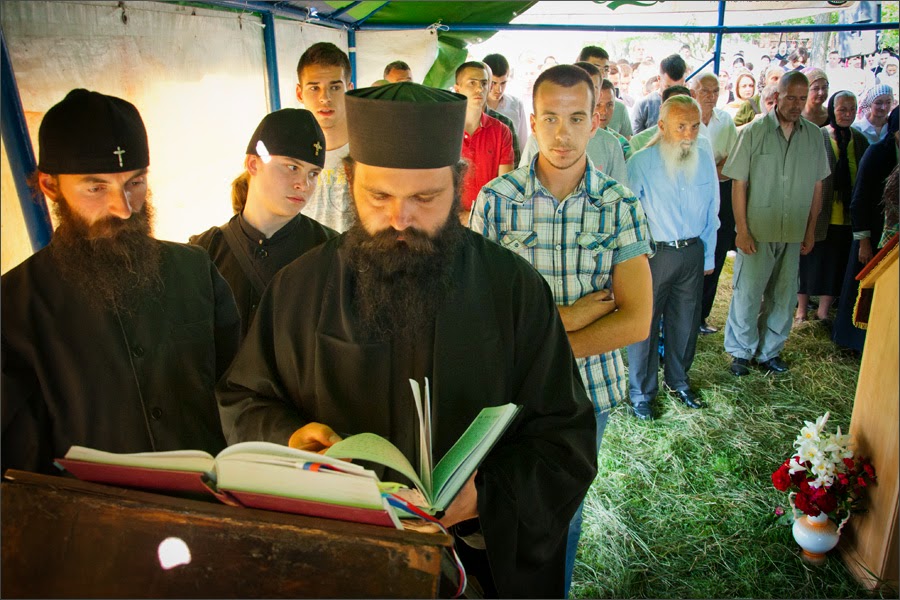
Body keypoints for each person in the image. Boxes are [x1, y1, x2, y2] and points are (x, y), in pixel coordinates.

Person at [216, 82, 597, 599]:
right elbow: (243, 400)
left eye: (424, 198)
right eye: (379, 196)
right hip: (337, 563)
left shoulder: (512, 290)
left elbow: (566, 440)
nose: (400, 219)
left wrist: (487, 494)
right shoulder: (300, 287)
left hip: (470, 565)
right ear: (350, 182)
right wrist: (289, 435)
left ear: (457, 185)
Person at [469, 64, 651, 595]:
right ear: (533, 120)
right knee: (495, 508)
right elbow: (478, 310)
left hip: (586, 394)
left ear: (596, 120)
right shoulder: (496, 200)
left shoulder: (619, 206)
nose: (562, 133)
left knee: (562, 516)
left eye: (576, 118)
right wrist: (570, 315)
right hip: (506, 395)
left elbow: (636, 319)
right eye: (550, 118)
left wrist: (542, 344)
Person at [1, 89, 241, 474]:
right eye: (96, 188)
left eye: (135, 182)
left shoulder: (195, 271)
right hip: (88, 511)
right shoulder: (13, 306)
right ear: (49, 186)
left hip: (208, 501)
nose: (124, 208)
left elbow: (240, 392)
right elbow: (19, 461)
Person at [190, 109, 337, 339]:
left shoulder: (331, 252)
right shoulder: (204, 252)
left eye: (313, 174)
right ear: (253, 164)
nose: (304, 184)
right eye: (292, 167)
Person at [722, 71, 830, 376]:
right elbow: (739, 184)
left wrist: (810, 229)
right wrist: (742, 230)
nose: (796, 104)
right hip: (757, 229)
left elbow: (818, 186)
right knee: (748, 291)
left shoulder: (814, 135)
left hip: (794, 229)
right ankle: (741, 352)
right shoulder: (753, 132)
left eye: (801, 98)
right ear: (776, 97)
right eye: (790, 97)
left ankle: (770, 352)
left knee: (784, 295)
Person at [626, 95, 719, 417]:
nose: (688, 134)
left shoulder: (704, 158)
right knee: (645, 326)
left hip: (692, 252)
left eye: (694, 126)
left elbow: (713, 209)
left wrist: (708, 257)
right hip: (654, 255)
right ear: (662, 126)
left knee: (686, 322)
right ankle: (641, 393)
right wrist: (635, 261)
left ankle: (678, 381)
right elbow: (630, 217)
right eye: (681, 126)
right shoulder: (640, 162)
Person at [795, 91, 868, 325]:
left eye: (852, 109)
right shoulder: (819, 136)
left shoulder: (860, 140)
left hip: (846, 216)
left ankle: (823, 312)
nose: (847, 114)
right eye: (842, 109)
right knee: (809, 261)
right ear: (832, 111)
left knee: (836, 264)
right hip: (819, 212)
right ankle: (801, 310)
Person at [832, 107, 899, 352]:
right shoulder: (877, 153)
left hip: (895, 241)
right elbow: (859, 200)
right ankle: (852, 342)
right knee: (862, 289)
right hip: (872, 236)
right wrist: (863, 240)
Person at [690, 73, 739, 335]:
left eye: (715, 91)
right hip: (692, 195)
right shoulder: (687, 119)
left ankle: (701, 316)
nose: (711, 96)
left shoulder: (725, 120)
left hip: (722, 192)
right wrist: (712, 169)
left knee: (717, 254)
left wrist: (709, 171)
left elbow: (733, 161)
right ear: (693, 92)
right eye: (705, 90)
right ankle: (685, 315)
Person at [296, 42, 355, 232]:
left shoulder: (371, 148)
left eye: (335, 87)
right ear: (299, 93)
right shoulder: (289, 153)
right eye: (314, 88)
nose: (325, 98)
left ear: (349, 90)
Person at [454, 61, 514, 225]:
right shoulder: (444, 129)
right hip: (450, 222)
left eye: (484, 83)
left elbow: (506, 189)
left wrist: (475, 216)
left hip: (488, 222)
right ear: (457, 89)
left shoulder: (501, 131)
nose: (479, 89)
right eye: (472, 83)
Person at [577, 45, 634, 139]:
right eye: (595, 68)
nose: (602, 74)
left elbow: (626, 143)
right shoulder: (568, 106)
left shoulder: (619, 108)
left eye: (606, 69)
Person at [632, 54, 688, 135]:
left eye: (679, 87)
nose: (674, 94)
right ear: (659, 78)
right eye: (668, 87)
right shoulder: (643, 105)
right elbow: (636, 140)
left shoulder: (691, 105)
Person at [483, 53, 529, 151]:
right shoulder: (474, 105)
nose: (498, 90)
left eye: (503, 83)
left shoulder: (516, 105)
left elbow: (522, 144)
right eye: (493, 83)